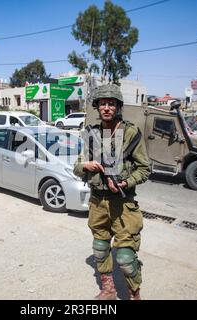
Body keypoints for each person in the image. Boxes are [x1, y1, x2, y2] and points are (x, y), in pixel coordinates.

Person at [73, 84, 150, 300]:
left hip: (123, 204)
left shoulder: (131, 133)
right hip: (98, 202)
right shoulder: (91, 134)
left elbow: (145, 168)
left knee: (125, 258)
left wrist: (125, 182)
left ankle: (135, 295)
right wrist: (86, 166)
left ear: (118, 107)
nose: (107, 108)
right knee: (100, 247)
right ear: (97, 107)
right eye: (103, 104)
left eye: (111, 104)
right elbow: (77, 166)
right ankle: (108, 289)